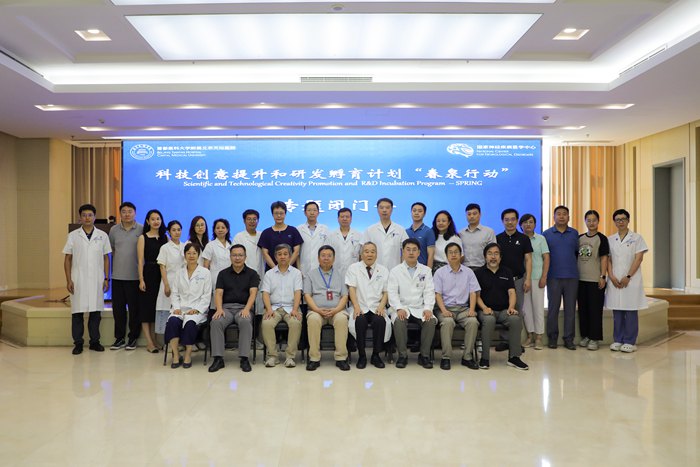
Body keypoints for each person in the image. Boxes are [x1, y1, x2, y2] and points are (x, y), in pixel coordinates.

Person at [63, 204, 111, 355]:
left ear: (95, 217)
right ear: (80, 217)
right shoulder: (73, 236)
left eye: (90, 215)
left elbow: (106, 258)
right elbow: (67, 259)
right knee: (77, 313)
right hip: (78, 279)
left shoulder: (102, 235)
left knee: (95, 313)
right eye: (84, 215)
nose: (87, 218)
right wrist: (69, 280)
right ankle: (78, 343)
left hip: (97, 279)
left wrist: (106, 278)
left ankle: (94, 342)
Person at [475, 243, 529, 370]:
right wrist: (484, 308)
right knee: (489, 320)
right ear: (485, 257)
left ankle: (514, 357)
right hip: (486, 310)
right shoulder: (478, 273)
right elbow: (476, 296)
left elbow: (512, 292)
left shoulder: (507, 271)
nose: (493, 257)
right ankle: (485, 358)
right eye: (490, 254)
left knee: (515, 319)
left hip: (504, 310)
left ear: (500, 257)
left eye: (496, 254)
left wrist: (511, 307)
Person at [208, 244, 260, 373]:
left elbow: (253, 293)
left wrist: (247, 309)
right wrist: (219, 309)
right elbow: (218, 293)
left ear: (245, 257)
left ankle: (244, 358)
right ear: (230, 257)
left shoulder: (252, 274)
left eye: (240, 255)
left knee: (245, 321)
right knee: (216, 322)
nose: (237, 258)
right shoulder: (223, 274)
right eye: (234, 255)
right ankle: (218, 359)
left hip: (244, 308)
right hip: (226, 308)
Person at [388, 238, 437, 369]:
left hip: (420, 307)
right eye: (408, 250)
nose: (411, 252)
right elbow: (392, 293)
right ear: (403, 252)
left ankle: (424, 356)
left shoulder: (426, 270)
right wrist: (398, 308)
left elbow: (429, 291)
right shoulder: (395, 271)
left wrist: (428, 308)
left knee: (430, 321)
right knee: (399, 320)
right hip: (402, 307)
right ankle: (402, 356)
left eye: (414, 250)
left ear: (419, 252)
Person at [605, 209, 648, 353]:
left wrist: (628, 276)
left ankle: (630, 341)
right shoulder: (610, 239)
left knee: (630, 310)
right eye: (617, 219)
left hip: (631, 280)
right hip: (615, 279)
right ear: (614, 222)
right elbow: (608, 259)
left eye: (623, 219)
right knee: (617, 310)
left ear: (628, 220)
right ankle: (618, 339)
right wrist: (611, 276)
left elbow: (639, 258)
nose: (621, 222)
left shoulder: (637, 238)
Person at [433, 242, 481, 370]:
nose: (453, 255)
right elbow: (437, 294)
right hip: (445, 308)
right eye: (450, 252)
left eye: (456, 252)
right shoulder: (439, 272)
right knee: (447, 322)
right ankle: (446, 357)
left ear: (461, 255)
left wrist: (472, 310)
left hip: (463, 309)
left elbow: (473, 292)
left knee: (473, 322)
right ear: (446, 256)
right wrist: (444, 310)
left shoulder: (468, 272)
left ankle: (467, 357)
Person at [164, 243, 212, 368]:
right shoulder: (179, 273)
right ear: (184, 255)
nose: (191, 256)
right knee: (173, 322)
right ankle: (176, 355)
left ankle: (187, 355)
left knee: (190, 323)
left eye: (194, 253)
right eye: (188, 253)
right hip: (180, 308)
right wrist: (176, 308)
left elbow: (206, 296)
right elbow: (175, 293)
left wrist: (197, 309)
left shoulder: (205, 273)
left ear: (198, 255)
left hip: (197, 310)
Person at [304, 245, 350, 371]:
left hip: (337, 310)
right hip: (316, 311)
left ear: (334, 258)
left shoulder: (340, 275)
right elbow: (307, 295)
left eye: (329, 256)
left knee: (342, 320)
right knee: (313, 320)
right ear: (318, 258)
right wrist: (317, 310)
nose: (326, 258)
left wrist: (336, 310)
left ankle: (341, 358)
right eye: (323, 256)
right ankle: (314, 358)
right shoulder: (310, 274)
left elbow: (345, 296)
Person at [345, 242, 390, 369]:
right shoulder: (353, 268)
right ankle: (362, 356)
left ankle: (376, 355)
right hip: (360, 305)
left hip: (377, 306)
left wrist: (381, 306)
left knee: (380, 321)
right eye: (366, 251)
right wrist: (356, 306)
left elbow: (386, 291)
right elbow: (351, 289)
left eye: (372, 251)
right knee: (359, 321)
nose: (369, 254)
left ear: (377, 254)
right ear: (361, 254)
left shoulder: (383, 270)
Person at [260, 243, 303, 367]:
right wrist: (268, 309)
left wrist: (295, 309)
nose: (282, 257)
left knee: (295, 323)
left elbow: (298, 292)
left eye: (285, 254)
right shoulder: (269, 274)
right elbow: (265, 293)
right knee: (266, 323)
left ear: (290, 256)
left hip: (292, 307)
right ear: (275, 257)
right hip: (274, 308)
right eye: (279, 254)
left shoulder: (296, 273)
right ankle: (273, 356)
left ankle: (290, 357)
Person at [543, 205, 580, 350]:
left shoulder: (574, 233)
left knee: (570, 310)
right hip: (553, 277)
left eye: (564, 214)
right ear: (554, 217)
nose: (561, 216)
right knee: (553, 309)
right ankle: (552, 338)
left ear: (568, 217)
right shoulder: (546, 234)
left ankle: (569, 339)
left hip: (572, 276)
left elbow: (576, 253)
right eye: (558, 214)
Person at [109, 201, 143, 350]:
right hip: (117, 276)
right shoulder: (114, 230)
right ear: (120, 213)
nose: (127, 214)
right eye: (124, 211)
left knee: (135, 310)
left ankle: (133, 338)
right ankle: (119, 338)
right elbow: (112, 250)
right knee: (118, 310)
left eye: (130, 211)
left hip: (135, 277)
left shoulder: (141, 229)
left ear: (135, 213)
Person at [577, 210, 610, 351]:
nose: (591, 223)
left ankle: (594, 338)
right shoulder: (579, 238)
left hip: (595, 280)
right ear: (585, 221)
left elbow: (604, 258)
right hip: (580, 280)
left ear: (598, 221)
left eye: (594, 220)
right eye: (588, 220)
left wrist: (602, 276)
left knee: (595, 310)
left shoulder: (602, 238)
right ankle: (585, 336)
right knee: (583, 310)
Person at [137, 209, 168, 353]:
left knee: (157, 307)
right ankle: (149, 342)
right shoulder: (143, 237)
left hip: (162, 275)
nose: (156, 221)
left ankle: (155, 340)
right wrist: (141, 279)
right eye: (153, 219)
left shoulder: (165, 237)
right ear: (148, 221)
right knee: (146, 309)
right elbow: (140, 260)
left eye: (158, 219)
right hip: (148, 274)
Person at [519, 214, 550, 350]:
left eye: (531, 222)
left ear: (535, 224)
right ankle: (530, 336)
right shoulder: (519, 239)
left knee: (538, 308)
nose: (528, 225)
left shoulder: (541, 239)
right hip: (523, 278)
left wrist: (544, 277)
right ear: (521, 225)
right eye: (525, 222)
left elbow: (546, 258)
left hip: (537, 277)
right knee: (526, 309)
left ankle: (539, 338)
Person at [155, 220, 186, 348]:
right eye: (174, 230)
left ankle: (179, 343)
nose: (177, 232)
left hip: (182, 284)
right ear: (169, 232)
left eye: (179, 229)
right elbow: (162, 266)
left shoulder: (185, 246)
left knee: (179, 313)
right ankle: (166, 344)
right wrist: (166, 285)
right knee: (166, 311)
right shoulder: (165, 247)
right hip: (168, 281)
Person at [496, 208, 533, 313]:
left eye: (513, 219)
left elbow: (528, 259)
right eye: (506, 220)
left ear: (517, 221)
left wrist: (528, 279)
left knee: (518, 309)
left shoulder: (524, 238)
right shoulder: (497, 238)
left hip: (518, 280)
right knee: (501, 309)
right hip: (501, 279)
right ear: (502, 221)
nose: (510, 222)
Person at [363, 197, 408, 270]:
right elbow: (364, 252)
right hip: (374, 271)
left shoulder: (400, 230)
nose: (384, 210)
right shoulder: (370, 230)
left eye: (387, 207)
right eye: (381, 208)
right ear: (377, 209)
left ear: (392, 209)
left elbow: (406, 251)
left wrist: (403, 269)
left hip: (395, 270)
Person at [258, 201, 303, 270]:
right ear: (272, 214)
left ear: (285, 214)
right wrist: (275, 269)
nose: (279, 216)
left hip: (291, 271)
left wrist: (287, 268)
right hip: (272, 271)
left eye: (281, 213)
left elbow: (296, 252)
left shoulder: (293, 231)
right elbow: (265, 254)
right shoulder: (266, 232)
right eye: (276, 213)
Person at [202, 218, 232, 310]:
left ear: (227, 229)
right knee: (215, 306)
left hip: (230, 279)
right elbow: (205, 266)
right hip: (215, 279)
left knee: (228, 304)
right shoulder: (210, 245)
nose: (220, 230)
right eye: (217, 228)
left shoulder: (231, 245)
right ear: (214, 230)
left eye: (223, 227)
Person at [458, 203, 496, 270]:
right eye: (469, 214)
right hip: (464, 269)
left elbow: (493, 252)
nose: (472, 216)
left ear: (480, 214)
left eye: (474, 213)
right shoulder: (460, 233)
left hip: (482, 268)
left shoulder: (489, 232)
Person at [327, 207, 362, 277]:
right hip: (334, 272)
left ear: (351, 219)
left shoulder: (359, 235)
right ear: (338, 219)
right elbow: (328, 254)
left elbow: (361, 255)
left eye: (347, 217)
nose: (344, 219)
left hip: (354, 272)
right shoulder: (331, 236)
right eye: (342, 217)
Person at [297, 201, 330, 274]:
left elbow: (327, 251)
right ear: (305, 213)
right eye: (309, 210)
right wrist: (299, 270)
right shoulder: (299, 229)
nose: (312, 213)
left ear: (318, 212)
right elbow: (297, 253)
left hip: (321, 268)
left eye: (314, 210)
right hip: (304, 269)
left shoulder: (325, 229)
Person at [406, 202, 436, 269]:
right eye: (414, 211)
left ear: (424, 214)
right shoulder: (406, 231)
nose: (416, 213)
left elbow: (431, 255)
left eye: (420, 211)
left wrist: (428, 271)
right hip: (407, 268)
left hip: (422, 269)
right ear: (411, 213)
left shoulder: (428, 231)